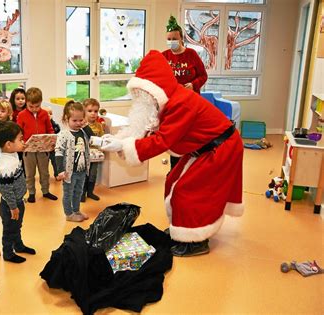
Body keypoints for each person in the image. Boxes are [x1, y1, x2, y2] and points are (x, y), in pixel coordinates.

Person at [101, 50, 243, 257]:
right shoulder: (167, 102)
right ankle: (182, 229)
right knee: (173, 180)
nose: (141, 98)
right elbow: (154, 131)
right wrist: (121, 140)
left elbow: (163, 140)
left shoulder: (181, 103)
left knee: (189, 191)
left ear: (156, 88)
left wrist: (124, 147)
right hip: (203, 147)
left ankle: (196, 241)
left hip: (220, 148)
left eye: (143, 92)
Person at [162, 15, 208, 171]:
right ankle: (174, 170)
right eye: (169, 39)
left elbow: (203, 75)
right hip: (173, 105)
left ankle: (191, 169)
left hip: (190, 102)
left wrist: (193, 85)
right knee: (175, 137)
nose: (171, 41)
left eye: (174, 38)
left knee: (189, 137)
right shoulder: (164, 56)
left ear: (181, 38)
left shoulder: (192, 55)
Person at [0, 121, 36, 263]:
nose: (23, 142)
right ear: (8, 144)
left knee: (17, 226)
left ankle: (18, 245)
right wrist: (13, 207)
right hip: (10, 205)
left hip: (17, 201)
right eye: (20, 139)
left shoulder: (9, 152)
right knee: (10, 230)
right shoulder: (6, 164)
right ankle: (8, 253)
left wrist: (21, 145)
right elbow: (3, 187)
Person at [16, 87, 57, 203]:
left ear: (41, 102)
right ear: (26, 103)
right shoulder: (22, 115)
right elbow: (19, 132)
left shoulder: (44, 114)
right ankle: (32, 193)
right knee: (29, 174)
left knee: (44, 173)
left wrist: (52, 139)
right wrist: (21, 142)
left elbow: (50, 129)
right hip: (28, 150)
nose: (34, 109)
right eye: (31, 106)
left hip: (43, 150)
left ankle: (46, 191)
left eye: (37, 106)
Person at [55, 101, 92, 222]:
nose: (78, 123)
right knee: (68, 193)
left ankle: (76, 210)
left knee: (78, 192)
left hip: (81, 170)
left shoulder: (83, 131)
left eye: (81, 120)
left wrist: (85, 125)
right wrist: (60, 170)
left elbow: (92, 137)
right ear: (67, 119)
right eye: (74, 120)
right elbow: (59, 152)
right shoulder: (64, 134)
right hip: (69, 172)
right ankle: (69, 214)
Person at [81, 98, 104, 201]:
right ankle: (82, 193)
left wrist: (101, 148)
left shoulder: (99, 126)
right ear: (84, 111)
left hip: (95, 155)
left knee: (93, 174)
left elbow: (101, 138)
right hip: (83, 155)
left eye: (95, 111)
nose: (93, 114)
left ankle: (90, 192)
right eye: (89, 111)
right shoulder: (81, 124)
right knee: (83, 173)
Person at [43, 105, 61, 178]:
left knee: (55, 161)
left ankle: (57, 174)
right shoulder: (41, 124)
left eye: (50, 113)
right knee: (44, 163)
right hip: (44, 148)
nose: (49, 115)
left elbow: (57, 129)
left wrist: (51, 121)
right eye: (47, 113)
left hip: (53, 147)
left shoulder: (53, 123)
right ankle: (44, 175)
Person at [0, 99, 13, 165]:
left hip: (8, 146)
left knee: (8, 162)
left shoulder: (10, 123)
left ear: (8, 113)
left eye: (3, 111)